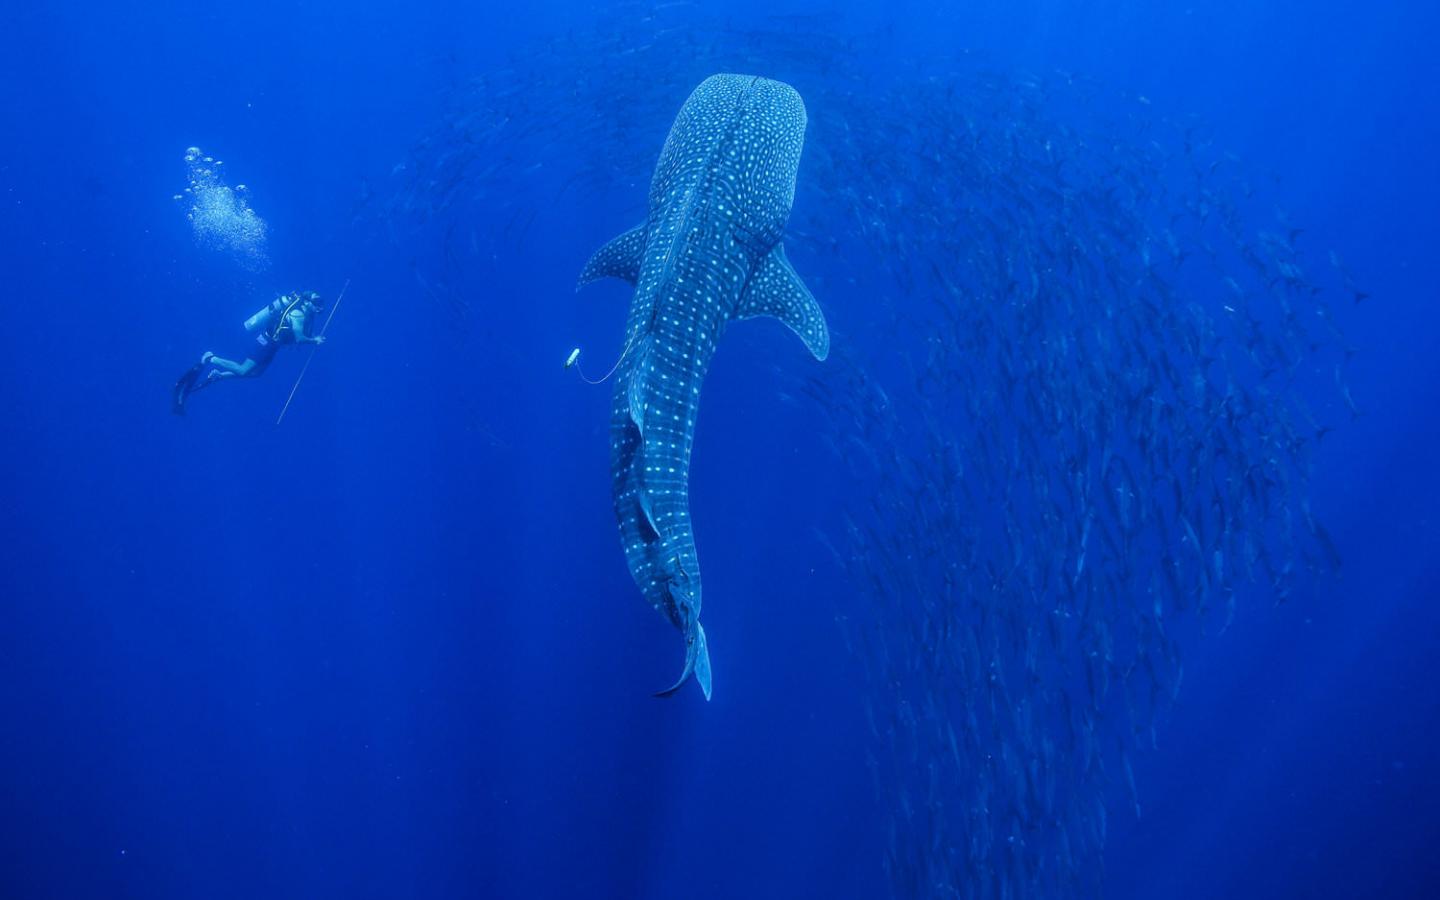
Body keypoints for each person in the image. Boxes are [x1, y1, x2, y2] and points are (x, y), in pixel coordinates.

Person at [173, 290, 327, 414]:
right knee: (243, 369)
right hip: (266, 342)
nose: (320, 307)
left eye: (321, 303)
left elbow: (297, 335)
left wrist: (312, 337)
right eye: (316, 303)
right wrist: (315, 340)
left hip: (272, 346)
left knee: (255, 374)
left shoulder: (306, 314)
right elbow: (299, 338)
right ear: (306, 302)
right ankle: (211, 358)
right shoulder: (299, 315)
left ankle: (219, 376)